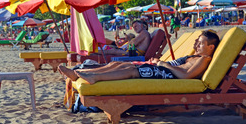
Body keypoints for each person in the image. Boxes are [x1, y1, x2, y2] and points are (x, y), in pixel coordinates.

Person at [58, 30, 220, 85]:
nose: (196, 46)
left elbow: (185, 76)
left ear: (211, 47)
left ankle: (94, 77)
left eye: (200, 43)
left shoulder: (203, 59)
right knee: (118, 65)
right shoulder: (195, 56)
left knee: (130, 69)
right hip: (163, 70)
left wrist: (163, 63)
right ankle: (87, 73)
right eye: (197, 43)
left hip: (167, 74)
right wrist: (159, 63)